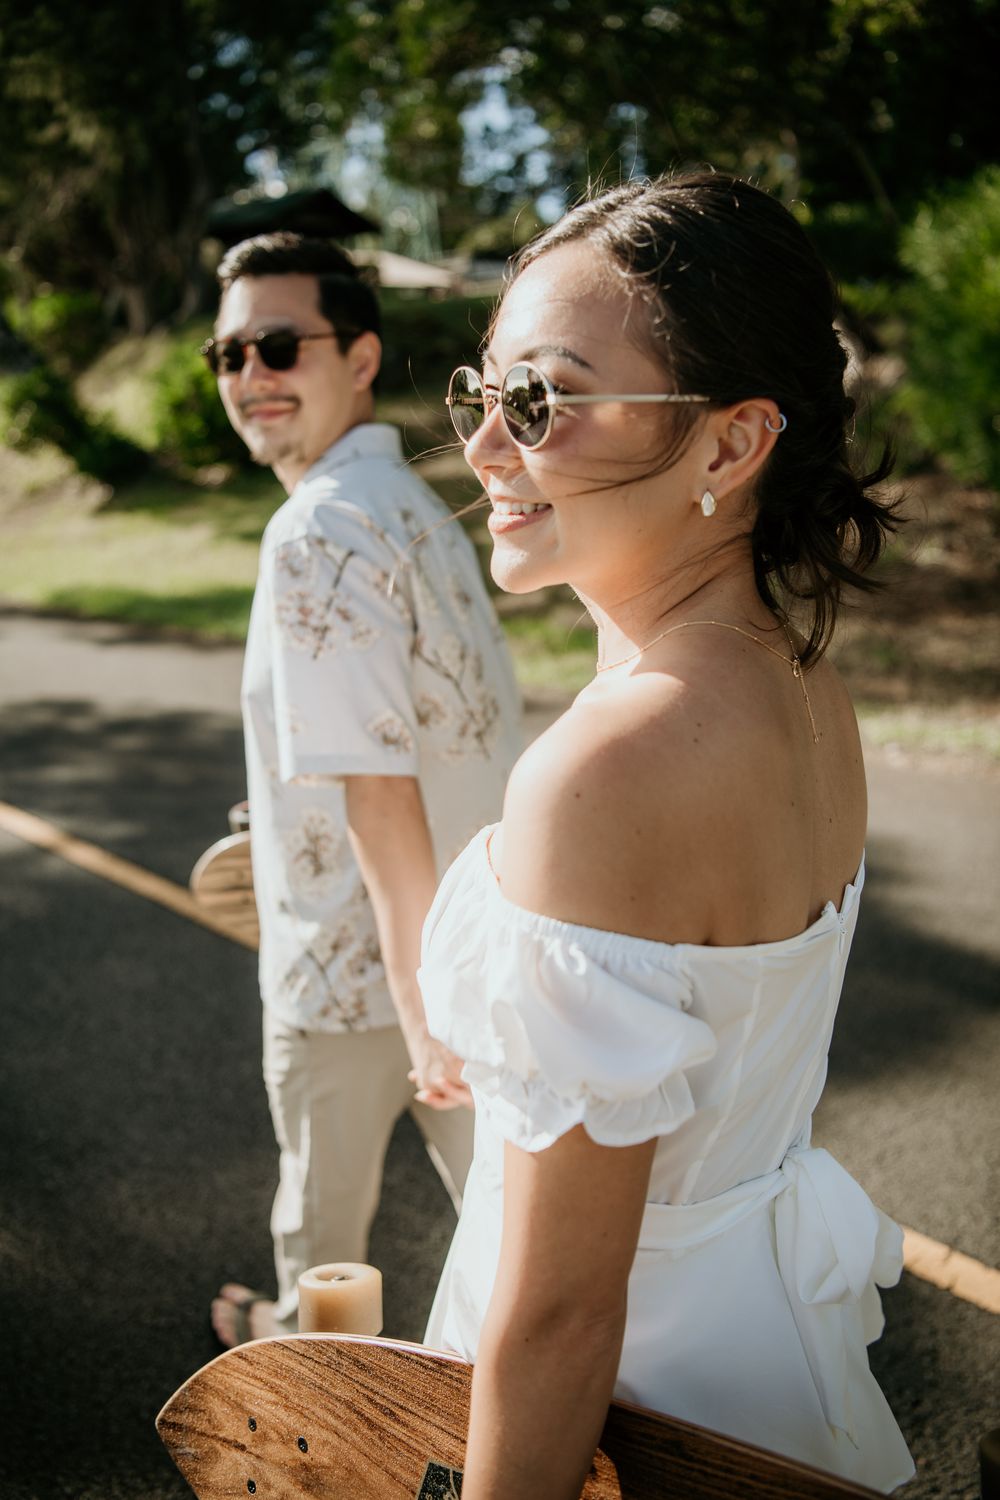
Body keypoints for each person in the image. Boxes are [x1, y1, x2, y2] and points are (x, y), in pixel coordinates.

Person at [418, 172, 915, 1496]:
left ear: (731, 443)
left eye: (545, 401)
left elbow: (564, 1313)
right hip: (768, 1366)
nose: (485, 449)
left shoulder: (610, 766)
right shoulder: (802, 683)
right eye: (485, 395)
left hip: (637, 1416)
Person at [203, 233, 522, 1345]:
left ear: (364, 354)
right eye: (230, 353)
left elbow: (380, 793)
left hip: (363, 978)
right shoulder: (409, 501)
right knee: (512, 1241)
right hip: (469, 946)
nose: (251, 375)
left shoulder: (314, 531)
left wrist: (419, 1001)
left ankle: (301, 1397)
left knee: (327, 1244)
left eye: (280, 345)